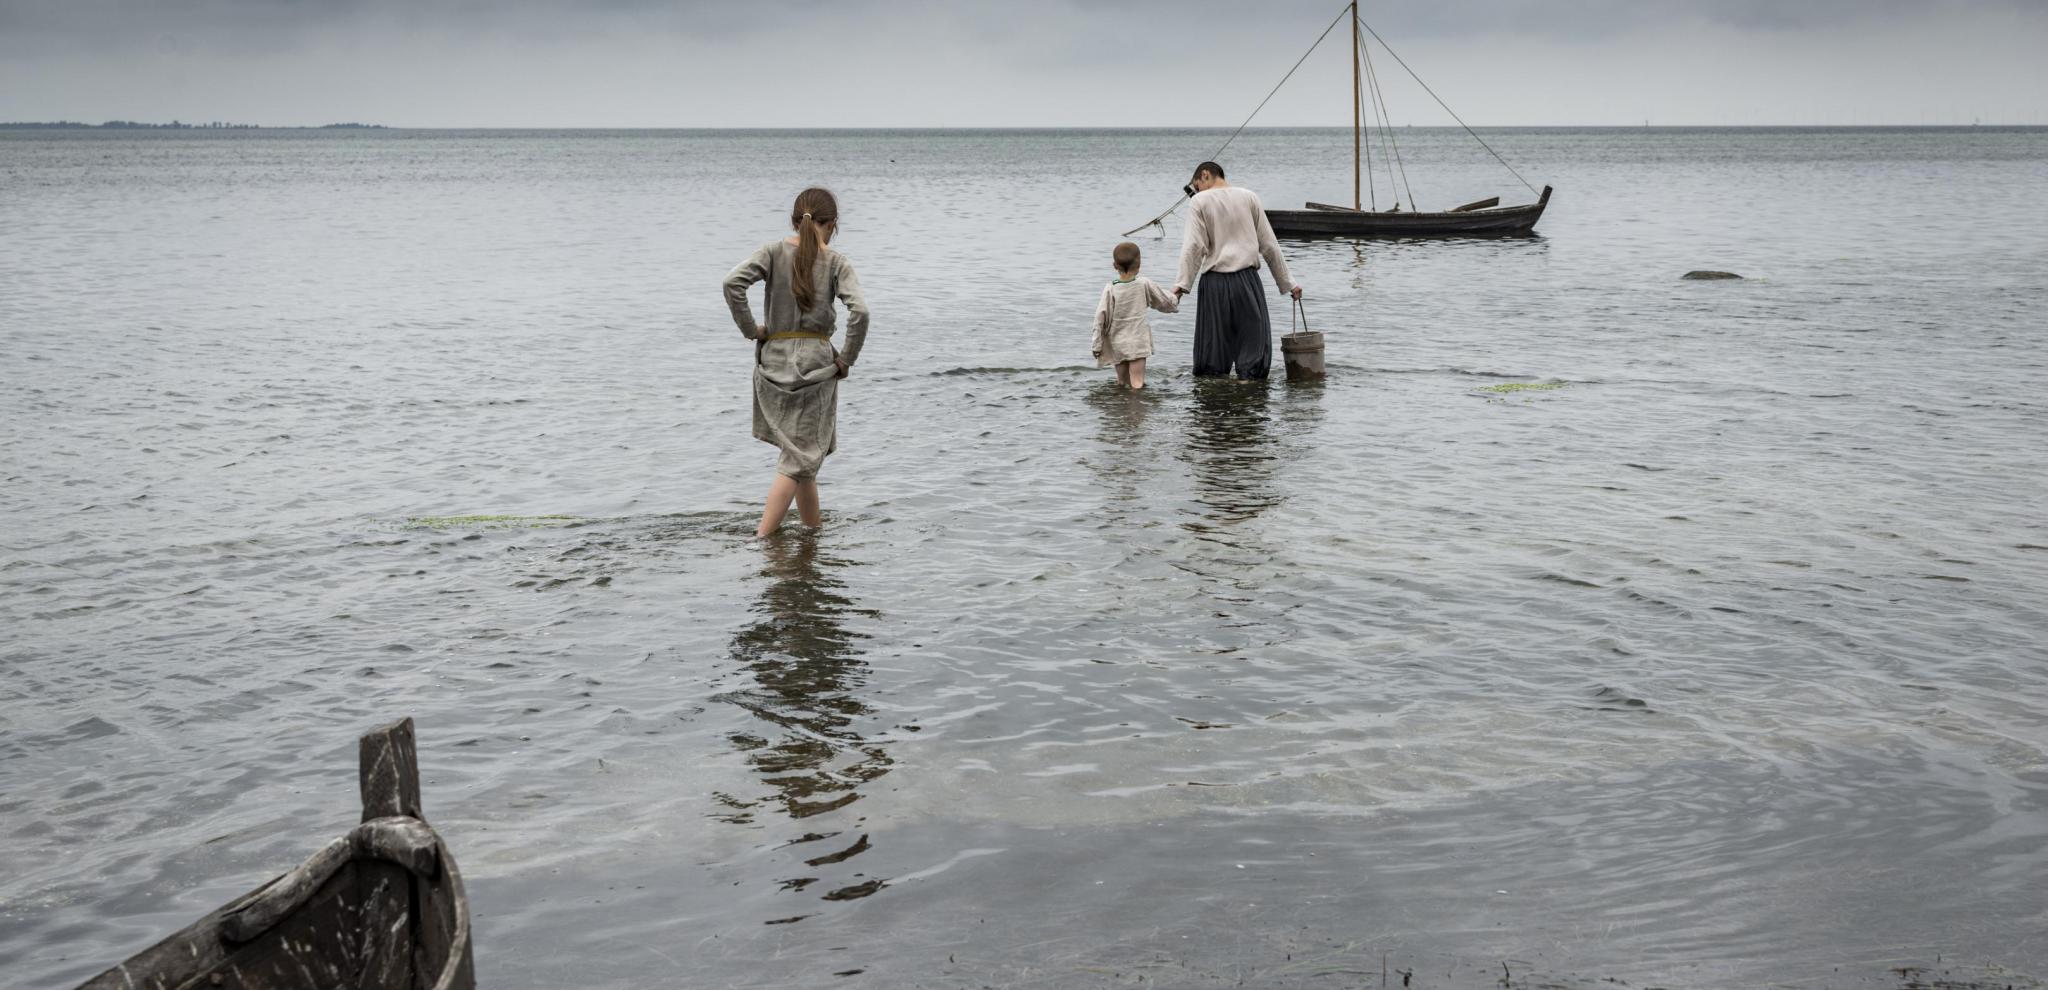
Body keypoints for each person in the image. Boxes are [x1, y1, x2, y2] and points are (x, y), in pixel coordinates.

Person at [722, 187, 869, 538]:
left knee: (803, 456)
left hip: (773, 358)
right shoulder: (836, 262)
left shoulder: (772, 252)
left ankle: (812, 533)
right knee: (797, 459)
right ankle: (763, 538)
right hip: (815, 364)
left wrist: (752, 330)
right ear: (832, 224)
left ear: (794, 219)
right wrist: (847, 358)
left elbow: (733, 284)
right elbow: (860, 311)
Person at [1171, 161, 1302, 380]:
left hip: (1214, 283)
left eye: (1197, 185)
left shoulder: (1199, 202)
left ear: (1205, 175)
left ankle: (1215, 400)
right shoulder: (1249, 197)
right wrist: (1289, 283)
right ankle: (1249, 394)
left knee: (1213, 351)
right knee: (1254, 344)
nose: (1197, 191)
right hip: (1247, 281)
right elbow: (1269, 243)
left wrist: (1181, 287)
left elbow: (1193, 247)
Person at [1091, 241, 1178, 390]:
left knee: (1122, 382)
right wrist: (1175, 298)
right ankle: (1137, 410)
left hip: (1117, 343)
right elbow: (1163, 300)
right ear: (1139, 264)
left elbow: (1100, 318)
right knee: (1137, 383)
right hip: (1138, 342)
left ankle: (1122, 408)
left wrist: (1097, 344)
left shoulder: (1110, 288)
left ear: (1114, 266)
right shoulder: (1144, 283)